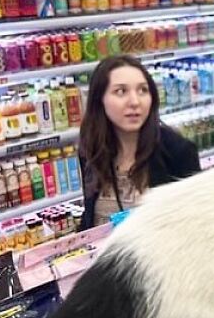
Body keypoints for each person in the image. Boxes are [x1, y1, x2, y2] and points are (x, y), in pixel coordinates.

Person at [78, 55, 200, 229]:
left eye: (143, 90)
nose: (135, 102)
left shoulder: (178, 152)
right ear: (100, 100)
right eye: (121, 91)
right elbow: (90, 216)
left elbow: (194, 225)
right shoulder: (92, 147)